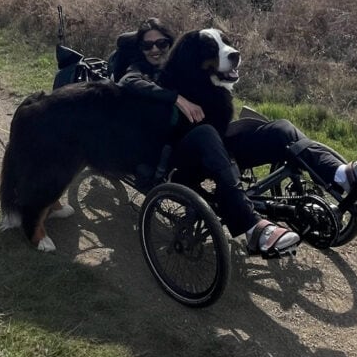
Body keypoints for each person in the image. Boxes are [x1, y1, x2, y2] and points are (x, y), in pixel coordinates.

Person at [117, 18, 301, 258]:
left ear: (171, 44)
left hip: (203, 142)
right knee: (206, 135)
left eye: (161, 44)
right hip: (169, 151)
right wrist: (176, 98)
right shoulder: (142, 67)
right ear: (140, 49)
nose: (154, 50)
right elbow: (128, 81)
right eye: (147, 45)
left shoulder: (187, 64)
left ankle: (343, 174)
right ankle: (253, 226)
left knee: (281, 129)